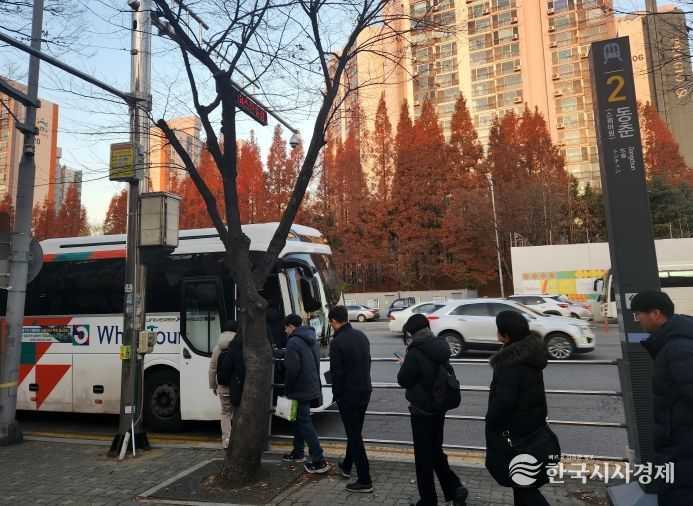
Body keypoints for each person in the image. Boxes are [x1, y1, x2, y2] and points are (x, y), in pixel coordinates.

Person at [397, 314, 468, 506]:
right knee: (435, 451)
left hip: (422, 410)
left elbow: (403, 380)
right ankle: (455, 488)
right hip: (440, 406)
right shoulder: (440, 345)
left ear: (412, 333)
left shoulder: (415, 352)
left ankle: (428, 500)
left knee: (423, 458)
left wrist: (404, 364)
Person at [631, 291, 693, 506]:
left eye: (638, 314)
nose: (637, 320)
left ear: (655, 314)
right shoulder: (675, 340)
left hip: (683, 445)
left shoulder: (678, 348)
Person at [485, 311, 551, 506]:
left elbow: (503, 403)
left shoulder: (509, 363)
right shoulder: (530, 355)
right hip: (532, 427)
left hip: (516, 433)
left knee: (524, 486)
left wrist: (491, 423)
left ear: (506, 334)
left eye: (499, 329)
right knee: (521, 482)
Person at [328, 305, 373, 493]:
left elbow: (336, 373)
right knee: (355, 431)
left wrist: (336, 395)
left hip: (348, 394)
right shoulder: (361, 336)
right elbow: (368, 362)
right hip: (364, 390)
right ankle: (347, 465)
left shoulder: (337, 342)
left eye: (331, 323)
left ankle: (365, 480)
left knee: (354, 436)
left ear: (333, 321)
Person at [281, 314, 329, 474]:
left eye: (285, 328)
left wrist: (287, 389)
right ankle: (298, 452)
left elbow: (292, 369)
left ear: (291, 326)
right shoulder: (311, 338)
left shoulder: (293, 342)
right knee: (298, 421)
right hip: (311, 385)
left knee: (304, 423)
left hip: (299, 388)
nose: (285, 331)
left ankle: (319, 460)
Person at [208, 321, 244, 449]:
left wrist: (213, 385)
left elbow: (212, 369)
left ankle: (227, 440)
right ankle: (239, 440)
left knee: (225, 413)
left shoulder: (218, 347)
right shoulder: (241, 345)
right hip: (238, 386)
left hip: (223, 386)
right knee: (238, 412)